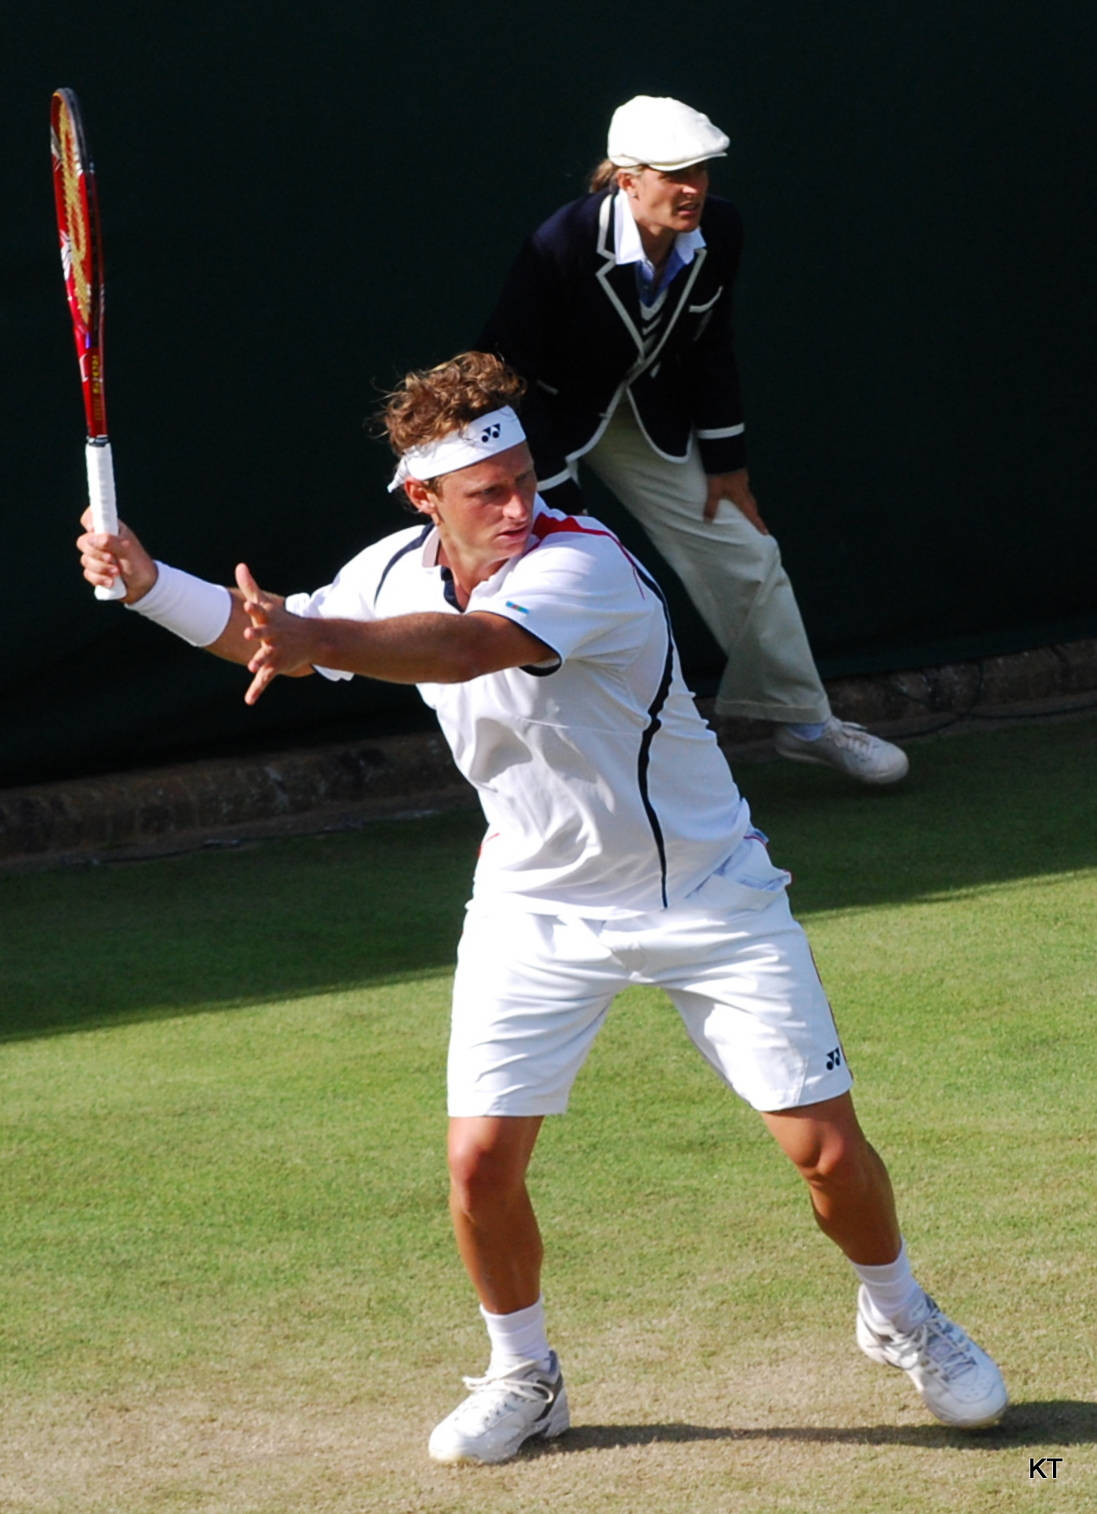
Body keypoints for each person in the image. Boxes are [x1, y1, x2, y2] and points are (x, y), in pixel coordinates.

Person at [77, 351, 1005, 1465]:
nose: (522, 505)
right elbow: (262, 628)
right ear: (423, 498)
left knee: (822, 1152)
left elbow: (471, 649)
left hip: (706, 894)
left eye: (526, 477)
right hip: (532, 907)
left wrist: (311, 636)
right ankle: (525, 1372)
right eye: (490, 491)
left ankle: (899, 1313)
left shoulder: (586, 567)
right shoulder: (384, 574)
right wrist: (143, 585)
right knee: (477, 1167)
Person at [478, 94, 909, 786]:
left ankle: (802, 719)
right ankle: (583, 763)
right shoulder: (558, 246)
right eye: (675, 174)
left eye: (701, 172)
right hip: (546, 424)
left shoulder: (721, 230)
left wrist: (726, 464)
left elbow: (710, 346)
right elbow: (508, 372)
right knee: (569, 579)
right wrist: (548, 491)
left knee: (747, 549)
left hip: (645, 414)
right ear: (627, 180)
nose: (693, 189)